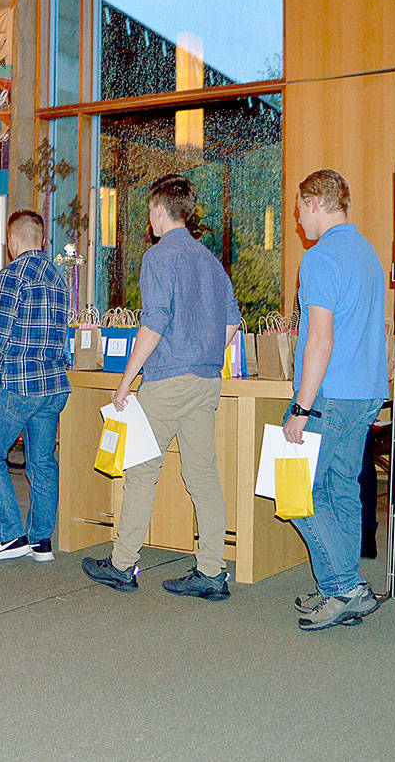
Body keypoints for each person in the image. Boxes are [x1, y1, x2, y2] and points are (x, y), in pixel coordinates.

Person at [81, 174, 240, 597]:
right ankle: (211, 571)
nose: (148, 217)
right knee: (203, 476)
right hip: (206, 380)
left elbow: (154, 323)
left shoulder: (158, 257)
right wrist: (205, 352)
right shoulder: (210, 261)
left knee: (141, 471)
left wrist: (125, 381)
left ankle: (123, 564)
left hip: (167, 379)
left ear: (158, 209)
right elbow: (231, 320)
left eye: (150, 209)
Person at [285, 169, 388, 630]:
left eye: (299, 208)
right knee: (342, 488)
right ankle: (341, 586)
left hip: (330, 395)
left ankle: (345, 586)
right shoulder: (367, 253)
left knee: (297, 491)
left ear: (313, 203)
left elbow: (320, 342)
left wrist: (301, 408)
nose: (297, 218)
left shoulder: (320, 258)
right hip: (366, 392)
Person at [0, 210, 71, 561]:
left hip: (19, 385)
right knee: (41, 461)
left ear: (12, 242)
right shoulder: (58, 276)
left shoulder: (11, 276)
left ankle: (10, 534)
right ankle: (41, 540)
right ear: (42, 240)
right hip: (54, 385)